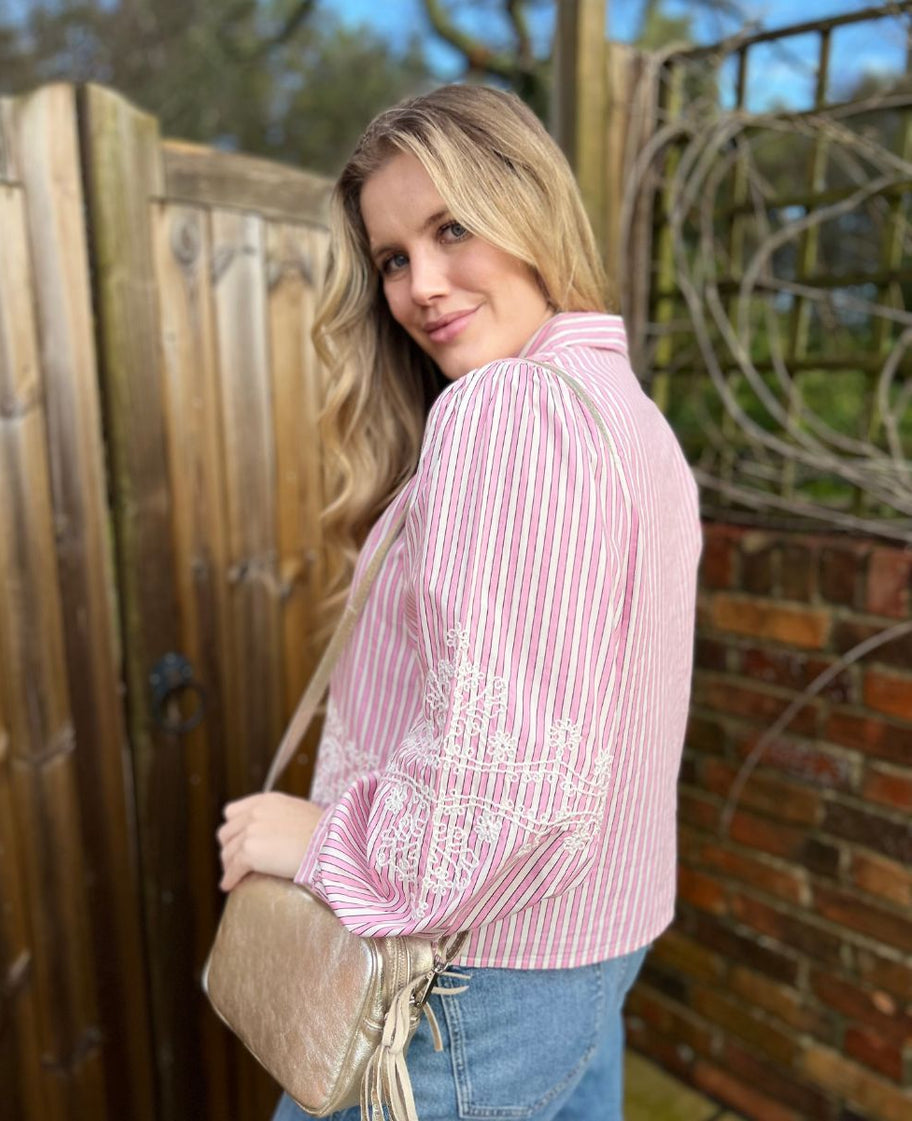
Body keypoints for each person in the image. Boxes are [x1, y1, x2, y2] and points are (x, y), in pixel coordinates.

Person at [217, 84, 702, 1121]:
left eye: (453, 229)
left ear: (531, 212)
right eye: (393, 258)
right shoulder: (632, 421)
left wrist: (315, 840)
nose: (421, 286)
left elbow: (509, 776)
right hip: (587, 953)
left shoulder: (508, 407)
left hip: (462, 982)